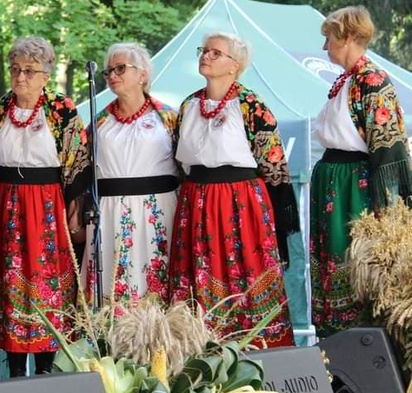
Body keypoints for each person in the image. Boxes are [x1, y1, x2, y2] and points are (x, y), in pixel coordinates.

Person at [169, 32, 298, 348]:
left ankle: (256, 358)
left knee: (245, 276)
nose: (206, 56)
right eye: (204, 51)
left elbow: (274, 165)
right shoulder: (188, 105)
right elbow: (177, 160)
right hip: (196, 200)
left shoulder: (251, 106)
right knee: (197, 279)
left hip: (239, 204)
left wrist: (279, 223)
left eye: (215, 53)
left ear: (235, 65)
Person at [0, 36, 90, 376]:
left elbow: (76, 163)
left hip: (46, 206)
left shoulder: (61, 111)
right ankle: (14, 373)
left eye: (29, 71)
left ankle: (45, 371)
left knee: (45, 285)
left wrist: (74, 206)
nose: (20, 77)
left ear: (45, 75)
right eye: (15, 70)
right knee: (11, 285)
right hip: (7, 205)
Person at [311, 6, 411, 337]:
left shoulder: (372, 81)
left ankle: (358, 344)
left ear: (350, 36)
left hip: (355, 188)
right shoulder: (348, 81)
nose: (325, 47)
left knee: (353, 267)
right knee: (331, 267)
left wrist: (389, 212)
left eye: (329, 38)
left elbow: (388, 149)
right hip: (335, 184)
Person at [81, 43, 178, 304]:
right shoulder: (98, 122)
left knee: (157, 285)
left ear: (143, 74)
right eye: (109, 71)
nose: (113, 75)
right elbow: (81, 169)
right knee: (111, 287)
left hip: (158, 211)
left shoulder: (168, 118)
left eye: (121, 68)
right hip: (109, 211)